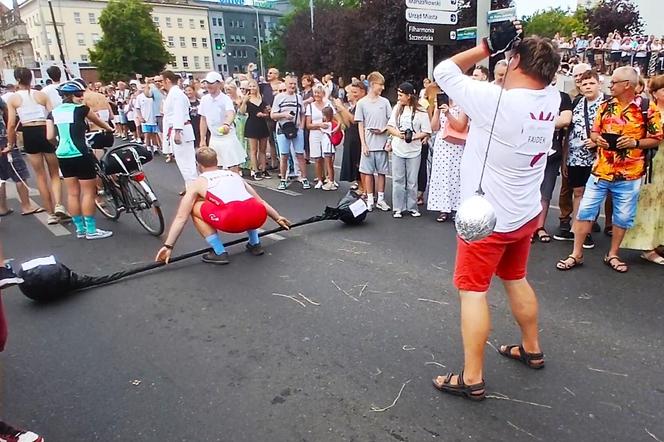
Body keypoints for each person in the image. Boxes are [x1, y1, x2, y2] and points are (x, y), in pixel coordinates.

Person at [432, 26, 562, 400]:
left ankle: (472, 377)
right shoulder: (551, 98)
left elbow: (443, 72)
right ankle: (532, 348)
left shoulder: (497, 100)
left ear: (516, 60)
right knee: (516, 278)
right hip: (523, 213)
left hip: (486, 219)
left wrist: (486, 46)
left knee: (473, 292)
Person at [556, 67, 663, 273]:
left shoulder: (646, 108)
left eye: (614, 82)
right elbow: (594, 132)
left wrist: (634, 142)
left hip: (629, 173)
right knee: (585, 212)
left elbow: (656, 138)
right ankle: (576, 254)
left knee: (622, 217)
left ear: (627, 85)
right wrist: (599, 140)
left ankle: (613, 254)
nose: (610, 85)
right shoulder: (605, 105)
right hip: (601, 170)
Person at [155, 147, 291, 265]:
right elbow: (260, 201)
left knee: (195, 206)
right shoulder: (234, 174)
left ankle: (219, 252)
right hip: (258, 215)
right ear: (217, 161)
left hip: (232, 220)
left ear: (198, 165)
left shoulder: (198, 182)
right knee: (245, 203)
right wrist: (277, 218)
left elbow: (181, 217)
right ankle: (255, 243)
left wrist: (168, 246)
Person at [46, 79, 114, 240]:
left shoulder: (52, 113)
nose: (81, 97)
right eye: (78, 94)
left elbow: (49, 136)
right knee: (88, 192)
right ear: (69, 96)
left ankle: (80, 229)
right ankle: (91, 230)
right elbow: (99, 122)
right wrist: (110, 129)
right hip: (80, 152)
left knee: (72, 193)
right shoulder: (81, 109)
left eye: (82, 94)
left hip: (62, 154)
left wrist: (58, 145)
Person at [615, 74, 664, 264]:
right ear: (654, 93)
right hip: (653, 163)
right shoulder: (650, 111)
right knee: (649, 203)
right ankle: (647, 246)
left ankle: (659, 242)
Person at [6, 67, 65, 225]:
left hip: (29, 132)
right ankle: (59, 204)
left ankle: (50, 213)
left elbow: (11, 124)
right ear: (31, 78)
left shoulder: (13, 98)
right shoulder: (41, 95)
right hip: (44, 129)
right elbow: (53, 116)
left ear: (17, 80)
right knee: (54, 173)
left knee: (40, 176)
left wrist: (10, 143)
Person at [562, 70, 604, 248]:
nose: (587, 87)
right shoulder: (578, 102)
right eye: (584, 84)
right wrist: (565, 157)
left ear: (598, 84)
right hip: (575, 156)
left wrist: (596, 142)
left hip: (597, 157)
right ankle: (576, 229)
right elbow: (568, 131)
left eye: (591, 83)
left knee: (592, 195)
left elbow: (613, 130)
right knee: (578, 192)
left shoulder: (607, 104)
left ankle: (586, 230)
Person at [532, 85, 573, 243]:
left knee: (545, 192)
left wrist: (537, 121)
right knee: (526, 191)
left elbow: (565, 120)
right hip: (529, 150)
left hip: (552, 152)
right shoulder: (531, 95)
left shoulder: (562, 97)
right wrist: (551, 121)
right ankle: (526, 227)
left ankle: (539, 226)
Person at [386, 82, 431, 217]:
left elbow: (427, 131)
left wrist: (414, 137)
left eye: (401, 95)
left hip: (414, 150)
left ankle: (412, 207)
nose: (399, 98)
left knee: (412, 181)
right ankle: (398, 208)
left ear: (409, 95)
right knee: (398, 179)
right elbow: (390, 127)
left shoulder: (421, 111)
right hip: (398, 148)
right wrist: (399, 135)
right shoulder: (397, 109)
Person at [427, 93, 469, 222]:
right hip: (442, 144)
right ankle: (443, 208)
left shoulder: (461, 104)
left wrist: (448, 113)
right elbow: (434, 127)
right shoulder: (441, 105)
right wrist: (437, 110)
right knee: (443, 175)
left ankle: (457, 207)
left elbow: (460, 126)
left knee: (456, 175)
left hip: (457, 144)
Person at [356, 71, 392, 212]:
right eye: (380, 85)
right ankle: (370, 199)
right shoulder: (362, 103)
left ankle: (381, 199)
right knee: (368, 172)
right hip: (369, 145)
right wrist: (364, 144)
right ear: (372, 85)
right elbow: (361, 125)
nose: (382, 88)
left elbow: (391, 121)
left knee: (382, 172)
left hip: (381, 144)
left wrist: (384, 131)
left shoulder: (385, 102)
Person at [199, 72, 246, 174]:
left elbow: (230, 113)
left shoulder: (226, 99)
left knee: (233, 168)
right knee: (214, 168)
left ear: (219, 84)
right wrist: (202, 139)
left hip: (228, 137)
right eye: (207, 83)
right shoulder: (204, 99)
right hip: (214, 138)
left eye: (211, 83)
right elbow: (203, 119)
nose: (208, 85)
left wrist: (226, 124)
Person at [271, 75, 310, 191]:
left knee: (300, 155)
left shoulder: (298, 98)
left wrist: (301, 127)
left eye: (294, 84)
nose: (292, 86)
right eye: (290, 84)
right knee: (284, 155)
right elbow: (273, 115)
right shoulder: (279, 97)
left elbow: (303, 113)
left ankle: (303, 177)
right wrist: (284, 115)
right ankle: (283, 179)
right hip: (283, 129)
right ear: (286, 84)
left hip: (296, 129)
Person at [0, 97, 38, 216]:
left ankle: (2, 207)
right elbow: (6, 111)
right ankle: (26, 206)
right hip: (3, 138)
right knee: (19, 172)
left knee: (0, 177)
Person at [162, 70, 198, 188]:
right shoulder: (174, 93)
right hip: (179, 129)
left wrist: (177, 131)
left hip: (181, 130)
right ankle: (191, 187)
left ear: (167, 80)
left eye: (162, 81)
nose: (161, 84)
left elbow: (178, 113)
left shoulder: (176, 94)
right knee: (185, 163)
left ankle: (194, 189)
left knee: (186, 163)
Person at [337, 80, 366, 193]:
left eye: (354, 92)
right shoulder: (353, 106)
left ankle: (364, 188)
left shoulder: (361, 104)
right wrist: (340, 110)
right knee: (354, 162)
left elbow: (354, 120)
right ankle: (360, 185)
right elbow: (347, 123)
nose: (350, 94)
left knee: (359, 163)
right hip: (351, 136)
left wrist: (342, 108)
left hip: (358, 137)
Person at [306, 84, 337, 189]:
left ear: (323, 94)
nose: (316, 95)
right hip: (315, 134)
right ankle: (320, 179)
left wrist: (331, 128)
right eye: (315, 93)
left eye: (319, 92)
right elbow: (308, 125)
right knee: (318, 158)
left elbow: (335, 118)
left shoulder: (328, 104)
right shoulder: (310, 106)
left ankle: (331, 179)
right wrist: (319, 125)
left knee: (329, 158)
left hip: (327, 135)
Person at [241, 79, 271, 181]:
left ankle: (263, 168)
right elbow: (242, 111)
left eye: (254, 86)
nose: (252, 88)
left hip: (262, 124)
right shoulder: (247, 99)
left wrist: (265, 114)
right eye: (250, 86)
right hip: (252, 125)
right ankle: (255, 170)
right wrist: (244, 102)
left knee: (263, 150)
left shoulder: (261, 98)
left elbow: (267, 111)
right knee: (253, 150)